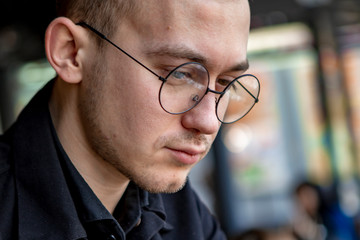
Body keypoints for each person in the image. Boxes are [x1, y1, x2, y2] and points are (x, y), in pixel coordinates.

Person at [0, 0, 260, 239]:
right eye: (178, 74)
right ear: (70, 52)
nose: (209, 122)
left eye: (226, 83)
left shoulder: (186, 214)